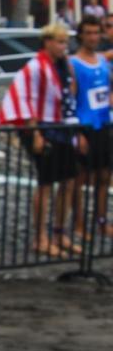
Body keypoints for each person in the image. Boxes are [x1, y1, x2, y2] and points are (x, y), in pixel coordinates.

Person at [0, 23, 80, 258]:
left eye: (65, 42)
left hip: (61, 126)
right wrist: (36, 134)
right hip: (43, 127)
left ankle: (59, 232)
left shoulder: (62, 66)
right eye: (60, 42)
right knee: (46, 183)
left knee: (69, 180)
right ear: (48, 42)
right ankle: (40, 237)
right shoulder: (35, 67)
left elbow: (69, 94)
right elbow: (25, 98)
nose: (64, 46)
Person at [70, 15, 113, 240]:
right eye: (89, 33)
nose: (94, 37)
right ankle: (78, 224)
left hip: (103, 125)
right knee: (80, 178)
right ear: (80, 36)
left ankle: (102, 220)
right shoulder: (74, 63)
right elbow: (71, 99)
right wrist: (77, 132)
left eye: (97, 33)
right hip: (85, 126)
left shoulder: (103, 61)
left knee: (104, 176)